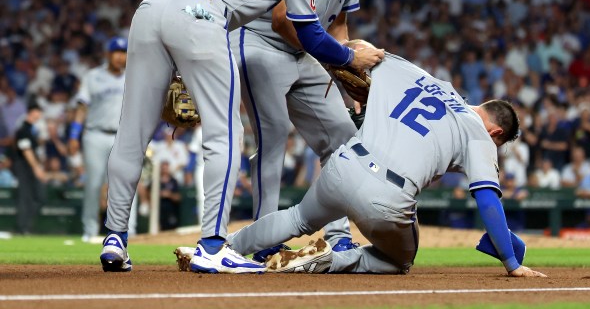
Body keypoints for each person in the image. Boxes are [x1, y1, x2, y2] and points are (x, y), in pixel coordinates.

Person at [99, 0, 384, 274]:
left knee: (131, 132)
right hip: (203, 17)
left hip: (151, 10)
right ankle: (213, 246)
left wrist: (179, 59)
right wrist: (351, 57)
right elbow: (313, 36)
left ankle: (115, 238)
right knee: (225, 133)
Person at [226, 52, 547, 277]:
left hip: (345, 163)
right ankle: (328, 261)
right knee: (399, 261)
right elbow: (488, 200)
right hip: (386, 196)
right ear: (497, 132)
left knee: (296, 218)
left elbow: (362, 52)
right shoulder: (480, 135)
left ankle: (224, 248)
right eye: (498, 143)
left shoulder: (426, 78)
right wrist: (510, 262)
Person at [229, 0, 380, 255]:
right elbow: (281, 20)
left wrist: (346, 73)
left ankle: (338, 232)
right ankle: (265, 241)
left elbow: (339, 19)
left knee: (343, 137)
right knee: (274, 135)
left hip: (306, 51)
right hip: (262, 42)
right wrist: (336, 59)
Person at [68, 37, 138, 243]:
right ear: (108, 54)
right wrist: (73, 135)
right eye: (117, 52)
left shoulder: (134, 76)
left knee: (126, 182)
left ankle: (129, 230)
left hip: (123, 136)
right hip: (95, 135)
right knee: (94, 183)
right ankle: (90, 230)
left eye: (124, 52)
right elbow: (82, 107)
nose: (120, 56)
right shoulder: (93, 76)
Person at [11, 102, 47, 235]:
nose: (39, 116)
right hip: (24, 166)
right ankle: (22, 228)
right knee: (25, 197)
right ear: (32, 113)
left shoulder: (32, 129)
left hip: (30, 165)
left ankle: (25, 226)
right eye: (37, 113)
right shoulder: (23, 130)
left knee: (37, 196)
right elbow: (26, 150)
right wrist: (36, 168)